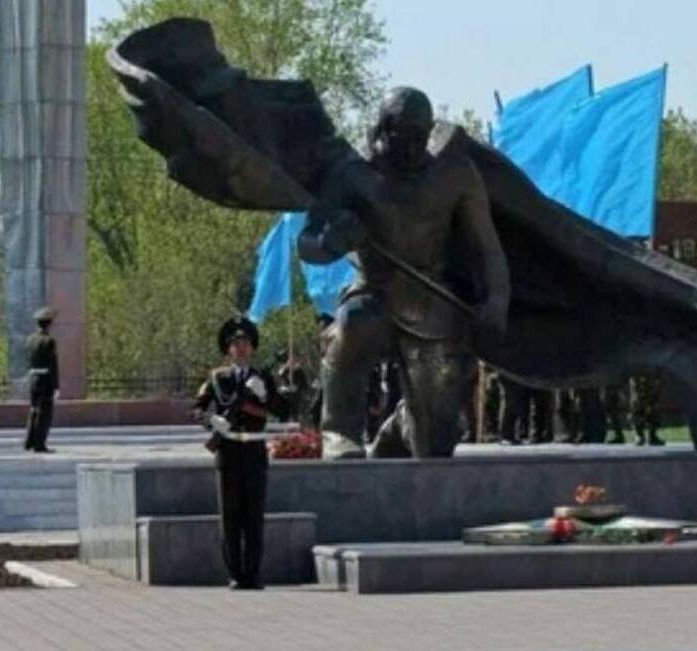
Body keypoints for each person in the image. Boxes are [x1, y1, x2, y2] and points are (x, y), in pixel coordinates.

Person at [298, 87, 510, 459]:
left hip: (432, 306)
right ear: (382, 129)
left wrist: (496, 300)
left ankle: (401, 427)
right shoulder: (352, 173)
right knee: (352, 325)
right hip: (374, 294)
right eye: (402, 137)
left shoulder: (456, 175)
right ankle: (339, 430)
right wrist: (332, 240)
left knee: (434, 448)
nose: (412, 148)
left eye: (420, 137)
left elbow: (487, 249)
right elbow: (307, 242)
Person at [193, 316, 289, 590]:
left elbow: (283, 411)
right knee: (230, 517)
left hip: (255, 450)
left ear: (253, 347)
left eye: (245, 343)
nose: (241, 348)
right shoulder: (217, 378)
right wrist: (211, 421)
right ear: (228, 349)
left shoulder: (263, 377)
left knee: (254, 517)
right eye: (236, 344)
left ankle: (253, 574)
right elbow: (197, 408)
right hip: (228, 450)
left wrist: (265, 396)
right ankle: (235, 574)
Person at [24, 307, 60, 453]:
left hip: (33, 378)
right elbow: (53, 365)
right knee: (44, 413)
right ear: (49, 323)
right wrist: (56, 386)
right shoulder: (49, 341)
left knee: (33, 410)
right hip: (45, 380)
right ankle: (39, 443)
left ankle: (29, 441)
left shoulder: (30, 340)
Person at [273, 350, 309, 423]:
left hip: (295, 399)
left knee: (294, 418)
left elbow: (303, 386)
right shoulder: (284, 371)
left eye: (293, 360)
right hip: (284, 398)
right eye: (290, 360)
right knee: (283, 417)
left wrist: (295, 388)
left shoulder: (300, 372)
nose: (291, 362)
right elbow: (277, 381)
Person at [630, 372, 665, 446]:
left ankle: (652, 436)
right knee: (637, 408)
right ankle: (639, 435)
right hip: (638, 375)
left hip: (650, 377)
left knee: (653, 408)